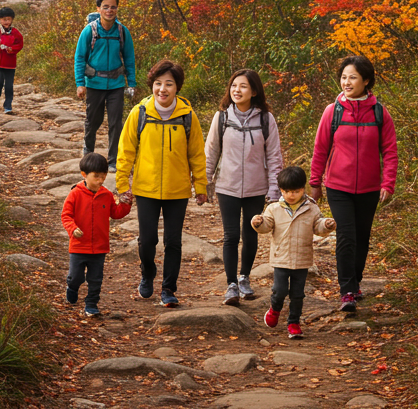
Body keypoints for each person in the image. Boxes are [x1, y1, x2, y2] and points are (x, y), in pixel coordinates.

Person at [309, 55, 398, 313]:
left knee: (362, 237)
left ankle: (355, 282)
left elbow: (390, 151)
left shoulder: (380, 113)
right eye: (344, 77)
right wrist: (315, 183)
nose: (346, 82)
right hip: (338, 186)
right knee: (346, 237)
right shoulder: (332, 111)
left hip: (370, 188)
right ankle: (346, 290)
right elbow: (320, 149)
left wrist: (388, 183)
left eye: (353, 77)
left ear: (366, 81)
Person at [114, 60, 207, 308]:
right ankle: (147, 274)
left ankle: (168, 288)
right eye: (158, 83)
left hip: (177, 190)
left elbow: (197, 154)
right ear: (152, 85)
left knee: (173, 241)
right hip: (146, 188)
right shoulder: (140, 113)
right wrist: (123, 184)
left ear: (177, 88)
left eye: (168, 84)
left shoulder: (188, 115)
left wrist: (201, 187)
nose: (162, 89)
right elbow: (125, 151)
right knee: (147, 240)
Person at [206, 68, 283, 307]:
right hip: (227, 187)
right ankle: (231, 285)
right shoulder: (222, 118)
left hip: (256, 187)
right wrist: (204, 182)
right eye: (234, 86)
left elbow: (274, 156)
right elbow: (211, 152)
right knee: (230, 236)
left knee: (250, 235)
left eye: (243, 86)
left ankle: (244, 278)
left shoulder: (265, 119)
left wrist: (274, 189)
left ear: (254, 91)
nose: (237, 90)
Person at [252, 166, 336, 340]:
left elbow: (317, 226)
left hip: (302, 259)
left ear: (303, 189)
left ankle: (294, 322)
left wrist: (327, 224)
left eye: (296, 191)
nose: (291, 195)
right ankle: (275, 309)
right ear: (281, 190)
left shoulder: (311, 208)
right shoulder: (274, 208)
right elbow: (266, 226)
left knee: (298, 294)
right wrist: (258, 222)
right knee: (279, 290)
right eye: (287, 191)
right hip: (281, 258)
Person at [62, 152, 132, 317]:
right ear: (84, 175)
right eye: (96, 177)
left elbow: (115, 213)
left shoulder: (106, 195)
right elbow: (66, 215)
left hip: (99, 247)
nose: (100, 180)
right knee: (75, 276)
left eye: (103, 177)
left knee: (95, 279)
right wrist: (72, 229)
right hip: (79, 246)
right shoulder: (75, 194)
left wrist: (126, 203)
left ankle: (91, 304)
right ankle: (72, 288)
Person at [74, 0, 135, 172]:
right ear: (98, 8)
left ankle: (113, 160)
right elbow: (80, 58)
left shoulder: (122, 31)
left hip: (116, 84)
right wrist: (80, 83)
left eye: (113, 7)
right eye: (106, 7)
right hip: (94, 83)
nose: (109, 10)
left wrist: (131, 83)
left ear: (117, 8)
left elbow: (129, 58)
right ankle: (88, 153)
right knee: (93, 120)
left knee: (116, 122)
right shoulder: (90, 31)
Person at [0, 6, 23, 113]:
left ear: (12, 20)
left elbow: (20, 44)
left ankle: (8, 106)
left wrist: (11, 49)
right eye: (4, 19)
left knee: (9, 86)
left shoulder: (16, 33)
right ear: (0, 20)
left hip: (10, 64)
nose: (6, 22)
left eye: (8, 19)